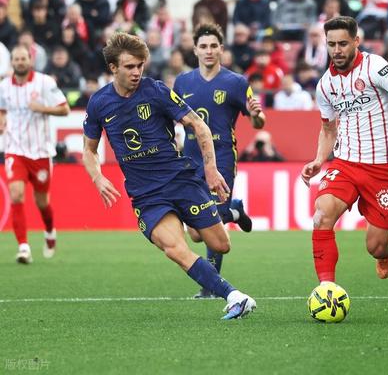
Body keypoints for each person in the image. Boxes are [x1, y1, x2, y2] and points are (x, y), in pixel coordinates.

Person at [82, 32, 256, 319]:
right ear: (113, 67)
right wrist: (97, 177)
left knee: (219, 244)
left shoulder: (156, 91)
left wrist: (210, 169)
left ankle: (232, 212)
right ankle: (235, 297)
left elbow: (198, 125)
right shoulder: (99, 103)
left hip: (180, 180)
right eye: (129, 66)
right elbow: (89, 150)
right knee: (175, 249)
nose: (136, 72)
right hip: (146, 194)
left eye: (140, 65)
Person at [301, 16, 388, 288]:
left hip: (382, 168)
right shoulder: (325, 85)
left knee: (375, 246)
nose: (337, 50)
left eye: (342, 44)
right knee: (321, 215)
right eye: (331, 44)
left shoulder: (375, 67)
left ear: (356, 41)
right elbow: (328, 129)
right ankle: (327, 289)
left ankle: (386, 250)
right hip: (346, 163)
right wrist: (319, 159)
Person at [173, 23, 266, 299]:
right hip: (191, 160)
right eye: (203, 46)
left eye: (214, 46)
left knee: (211, 221)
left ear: (221, 49)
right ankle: (234, 211)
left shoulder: (236, 83)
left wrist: (257, 115)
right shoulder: (182, 82)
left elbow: (259, 122)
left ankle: (210, 287)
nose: (209, 51)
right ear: (195, 50)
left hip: (223, 157)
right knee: (195, 233)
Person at [0, 45, 71, 263]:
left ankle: (49, 230)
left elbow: (65, 109)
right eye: (16, 59)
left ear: (30, 60)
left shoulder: (44, 82)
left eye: (23, 58)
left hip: (40, 151)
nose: (20, 62)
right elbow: (2, 109)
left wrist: (42, 108)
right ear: (11, 62)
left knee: (42, 202)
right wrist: (1, 121)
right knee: (16, 195)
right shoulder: (4, 86)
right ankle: (23, 247)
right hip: (15, 149)